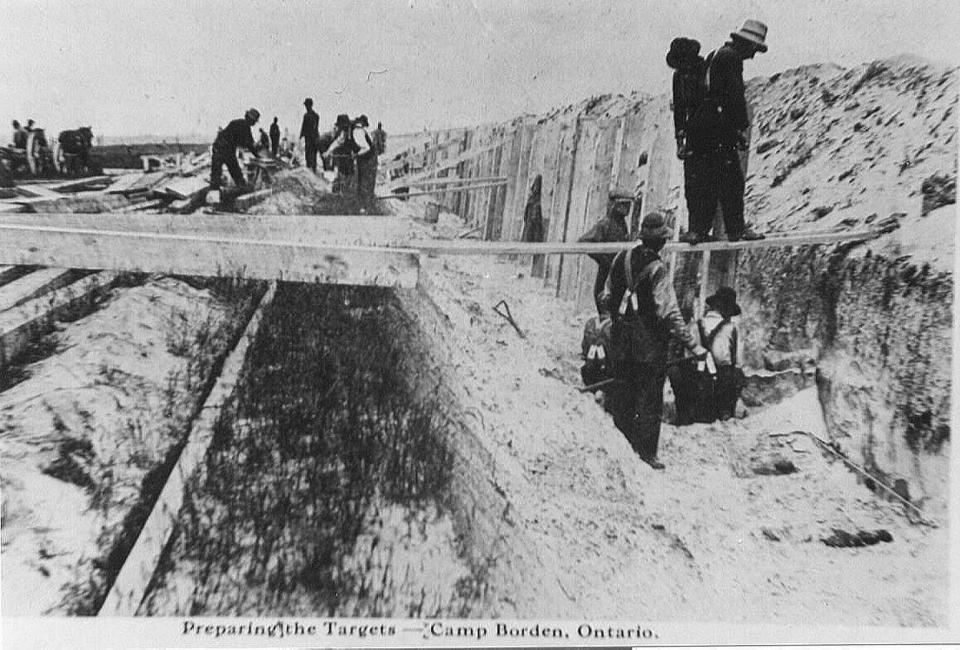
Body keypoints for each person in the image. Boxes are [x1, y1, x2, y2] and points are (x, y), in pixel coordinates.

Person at [600, 211, 708, 469]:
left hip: (620, 342)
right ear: (659, 241)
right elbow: (669, 312)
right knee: (648, 400)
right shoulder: (657, 268)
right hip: (648, 347)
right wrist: (693, 344)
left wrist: (611, 321)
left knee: (622, 395)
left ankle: (620, 449)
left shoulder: (620, 258)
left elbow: (605, 296)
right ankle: (646, 454)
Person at [676, 20, 768, 244]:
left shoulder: (716, 54)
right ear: (746, 44)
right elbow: (734, 97)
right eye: (754, 49)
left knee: (706, 180)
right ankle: (736, 229)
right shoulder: (732, 58)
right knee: (731, 180)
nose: (753, 55)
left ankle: (698, 230)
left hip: (702, 126)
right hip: (716, 127)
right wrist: (741, 127)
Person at [579, 194, 632, 316]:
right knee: (606, 316)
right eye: (624, 204)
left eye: (629, 204)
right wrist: (605, 261)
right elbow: (584, 242)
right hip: (606, 278)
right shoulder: (605, 224)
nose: (627, 208)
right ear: (615, 205)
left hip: (618, 278)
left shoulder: (622, 225)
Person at [697, 287, 743, 420]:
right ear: (726, 308)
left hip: (699, 376)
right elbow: (738, 360)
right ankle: (726, 414)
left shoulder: (698, 324)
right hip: (723, 378)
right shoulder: (732, 328)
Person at [210, 108, 261, 191]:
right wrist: (258, 156)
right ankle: (241, 187)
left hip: (218, 147)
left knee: (216, 173)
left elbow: (248, 143)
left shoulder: (236, 123)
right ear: (252, 120)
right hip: (226, 149)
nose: (255, 123)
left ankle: (214, 191)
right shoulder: (245, 127)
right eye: (255, 121)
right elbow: (250, 145)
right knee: (234, 170)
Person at [322, 114, 357, 196]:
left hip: (358, 155)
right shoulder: (344, 132)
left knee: (350, 176)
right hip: (348, 156)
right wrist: (328, 152)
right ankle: (343, 192)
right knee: (344, 174)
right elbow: (337, 142)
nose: (340, 128)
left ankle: (348, 193)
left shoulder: (354, 131)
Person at [352, 114, 378, 212]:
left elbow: (366, 148)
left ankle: (364, 207)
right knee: (368, 183)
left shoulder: (357, 132)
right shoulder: (363, 131)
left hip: (367, 160)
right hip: (370, 159)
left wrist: (356, 155)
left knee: (364, 182)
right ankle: (367, 207)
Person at [300, 97, 321, 172]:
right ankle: (313, 171)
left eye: (306, 105)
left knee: (309, 155)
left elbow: (304, 127)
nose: (306, 107)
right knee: (313, 156)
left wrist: (302, 135)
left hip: (309, 139)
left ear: (309, 105)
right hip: (314, 138)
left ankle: (310, 171)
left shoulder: (307, 116)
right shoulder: (316, 115)